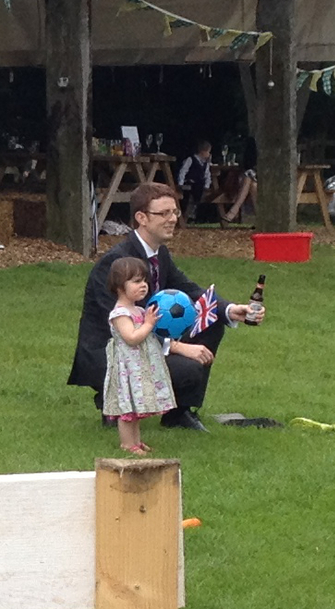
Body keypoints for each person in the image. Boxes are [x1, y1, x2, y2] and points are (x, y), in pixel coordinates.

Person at [71, 181, 254, 430]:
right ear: (141, 218)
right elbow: (120, 329)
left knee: (212, 323)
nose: (172, 219)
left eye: (175, 212)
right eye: (164, 213)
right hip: (113, 353)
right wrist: (178, 347)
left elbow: (189, 289)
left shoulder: (159, 254)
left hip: (144, 338)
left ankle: (178, 413)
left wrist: (228, 309)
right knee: (189, 367)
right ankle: (113, 401)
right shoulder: (115, 262)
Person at [101, 256, 175, 454]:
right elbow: (131, 337)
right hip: (128, 368)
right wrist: (148, 324)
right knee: (127, 407)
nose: (143, 286)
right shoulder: (120, 313)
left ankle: (137, 441)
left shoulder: (140, 310)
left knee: (136, 406)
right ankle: (127, 444)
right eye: (136, 281)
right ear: (119, 286)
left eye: (144, 281)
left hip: (139, 367)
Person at [177, 140, 215, 222]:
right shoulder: (191, 159)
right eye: (208, 152)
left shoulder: (206, 163)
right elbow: (183, 171)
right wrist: (180, 183)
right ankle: (189, 212)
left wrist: (207, 186)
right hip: (190, 181)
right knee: (192, 192)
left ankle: (194, 212)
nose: (209, 154)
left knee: (199, 189)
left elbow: (207, 175)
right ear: (202, 152)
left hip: (200, 183)